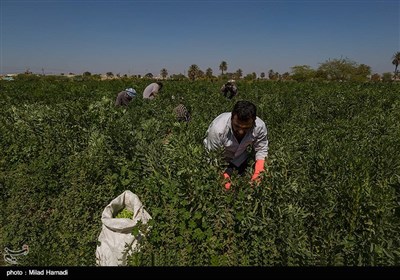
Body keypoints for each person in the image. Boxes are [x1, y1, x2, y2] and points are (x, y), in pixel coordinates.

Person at [204, 100, 268, 190]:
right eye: (237, 126)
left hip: (240, 157)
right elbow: (212, 159)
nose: (241, 131)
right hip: (220, 159)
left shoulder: (259, 127)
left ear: (254, 122)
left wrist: (258, 174)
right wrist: (224, 179)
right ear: (231, 118)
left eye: (246, 128)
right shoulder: (218, 129)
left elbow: (261, 149)